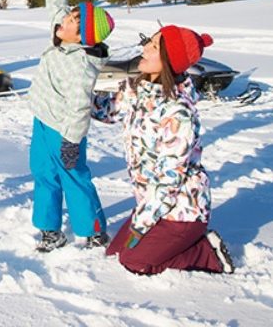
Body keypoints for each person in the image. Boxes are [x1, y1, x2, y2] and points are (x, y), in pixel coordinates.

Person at [92, 26, 235, 275]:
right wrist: (73, 91)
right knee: (115, 252)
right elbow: (106, 110)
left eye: (154, 46)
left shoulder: (178, 114)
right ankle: (163, 241)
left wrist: (141, 224)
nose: (144, 48)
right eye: (148, 41)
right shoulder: (138, 90)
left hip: (181, 211)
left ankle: (207, 252)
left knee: (134, 261)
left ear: (170, 59)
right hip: (152, 204)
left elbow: (169, 180)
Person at [29, 0, 115, 252]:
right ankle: (50, 229)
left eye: (71, 21)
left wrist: (71, 141)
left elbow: (80, 107)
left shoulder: (80, 65)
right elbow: (57, 4)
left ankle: (92, 230)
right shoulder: (63, 34)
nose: (63, 20)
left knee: (74, 176)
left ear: (80, 38)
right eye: (69, 15)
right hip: (42, 120)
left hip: (64, 130)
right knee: (42, 174)